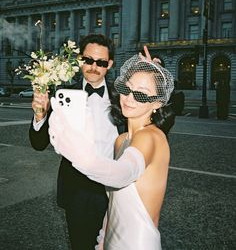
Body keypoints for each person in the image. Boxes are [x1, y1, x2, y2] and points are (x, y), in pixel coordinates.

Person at [48, 54, 175, 249]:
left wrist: (77, 151)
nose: (129, 98)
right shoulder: (121, 140)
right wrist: (103, 237)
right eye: (126, 88)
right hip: (111, 240)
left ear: (157, 103)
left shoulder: (152, 137)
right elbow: (115, 201)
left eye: (141, 94)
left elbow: (121, 175)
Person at [29, 34, 125, 250]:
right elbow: (38, 143)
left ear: (109, 64)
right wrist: (39, 115)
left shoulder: (121, 96)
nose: (93, 67)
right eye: (88, 60)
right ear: (80, 59)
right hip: (77, 189)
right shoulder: (64, 93)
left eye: (100, 62)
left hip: (114, 188)